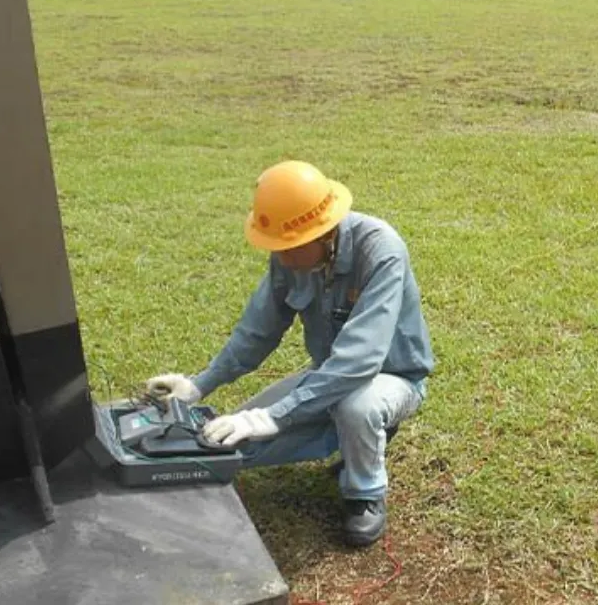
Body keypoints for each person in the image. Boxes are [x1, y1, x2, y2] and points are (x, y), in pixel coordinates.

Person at [145, 161, 435, 546]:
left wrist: (274, 415)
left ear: (323, 233)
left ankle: (364, 493)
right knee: (236, 445)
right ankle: (351, 434)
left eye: (288, 248)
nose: (280, 259)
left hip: (392, 377)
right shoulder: (292, 251)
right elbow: (257, 331)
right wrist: (199, 386)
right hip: (329, 376)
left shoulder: (381, 251)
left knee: (357, 407)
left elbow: (359, 361)